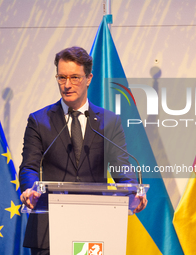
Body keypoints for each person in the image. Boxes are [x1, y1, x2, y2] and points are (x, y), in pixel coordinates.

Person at [19, 46, 147, 255]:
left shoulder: (109, 121)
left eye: (75, 78)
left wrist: (133, 190)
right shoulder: (39, 120)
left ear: (88, 78)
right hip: (48, 231)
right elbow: (29, 166)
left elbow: (121, 166)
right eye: (61, 78)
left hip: (95, 228)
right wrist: (30, 189)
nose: (67, 85)